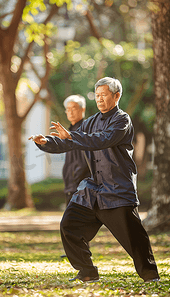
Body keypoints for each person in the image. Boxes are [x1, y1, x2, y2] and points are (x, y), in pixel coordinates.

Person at [29, 77, 160, 283]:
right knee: (69, 226)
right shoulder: (89, 122)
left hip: (117, 189)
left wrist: (72, 137)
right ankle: (87, 271)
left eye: (104, 95)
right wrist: (47, 142)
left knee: (134, 237)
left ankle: (150, 275)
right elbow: (68, 143)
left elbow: (103, 140)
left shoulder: (122, 120)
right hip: (92, 191)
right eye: (97, 95)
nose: (99, 99)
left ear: (116, 96)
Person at [62, 95, 91, 206]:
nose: (70, 112)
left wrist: (79, 178)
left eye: (73, 108)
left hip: (83, 186)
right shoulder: (68, 131)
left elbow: (87, 160)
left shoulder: (86, 130)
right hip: (70, 185)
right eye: (68, 109)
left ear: (82, 109)